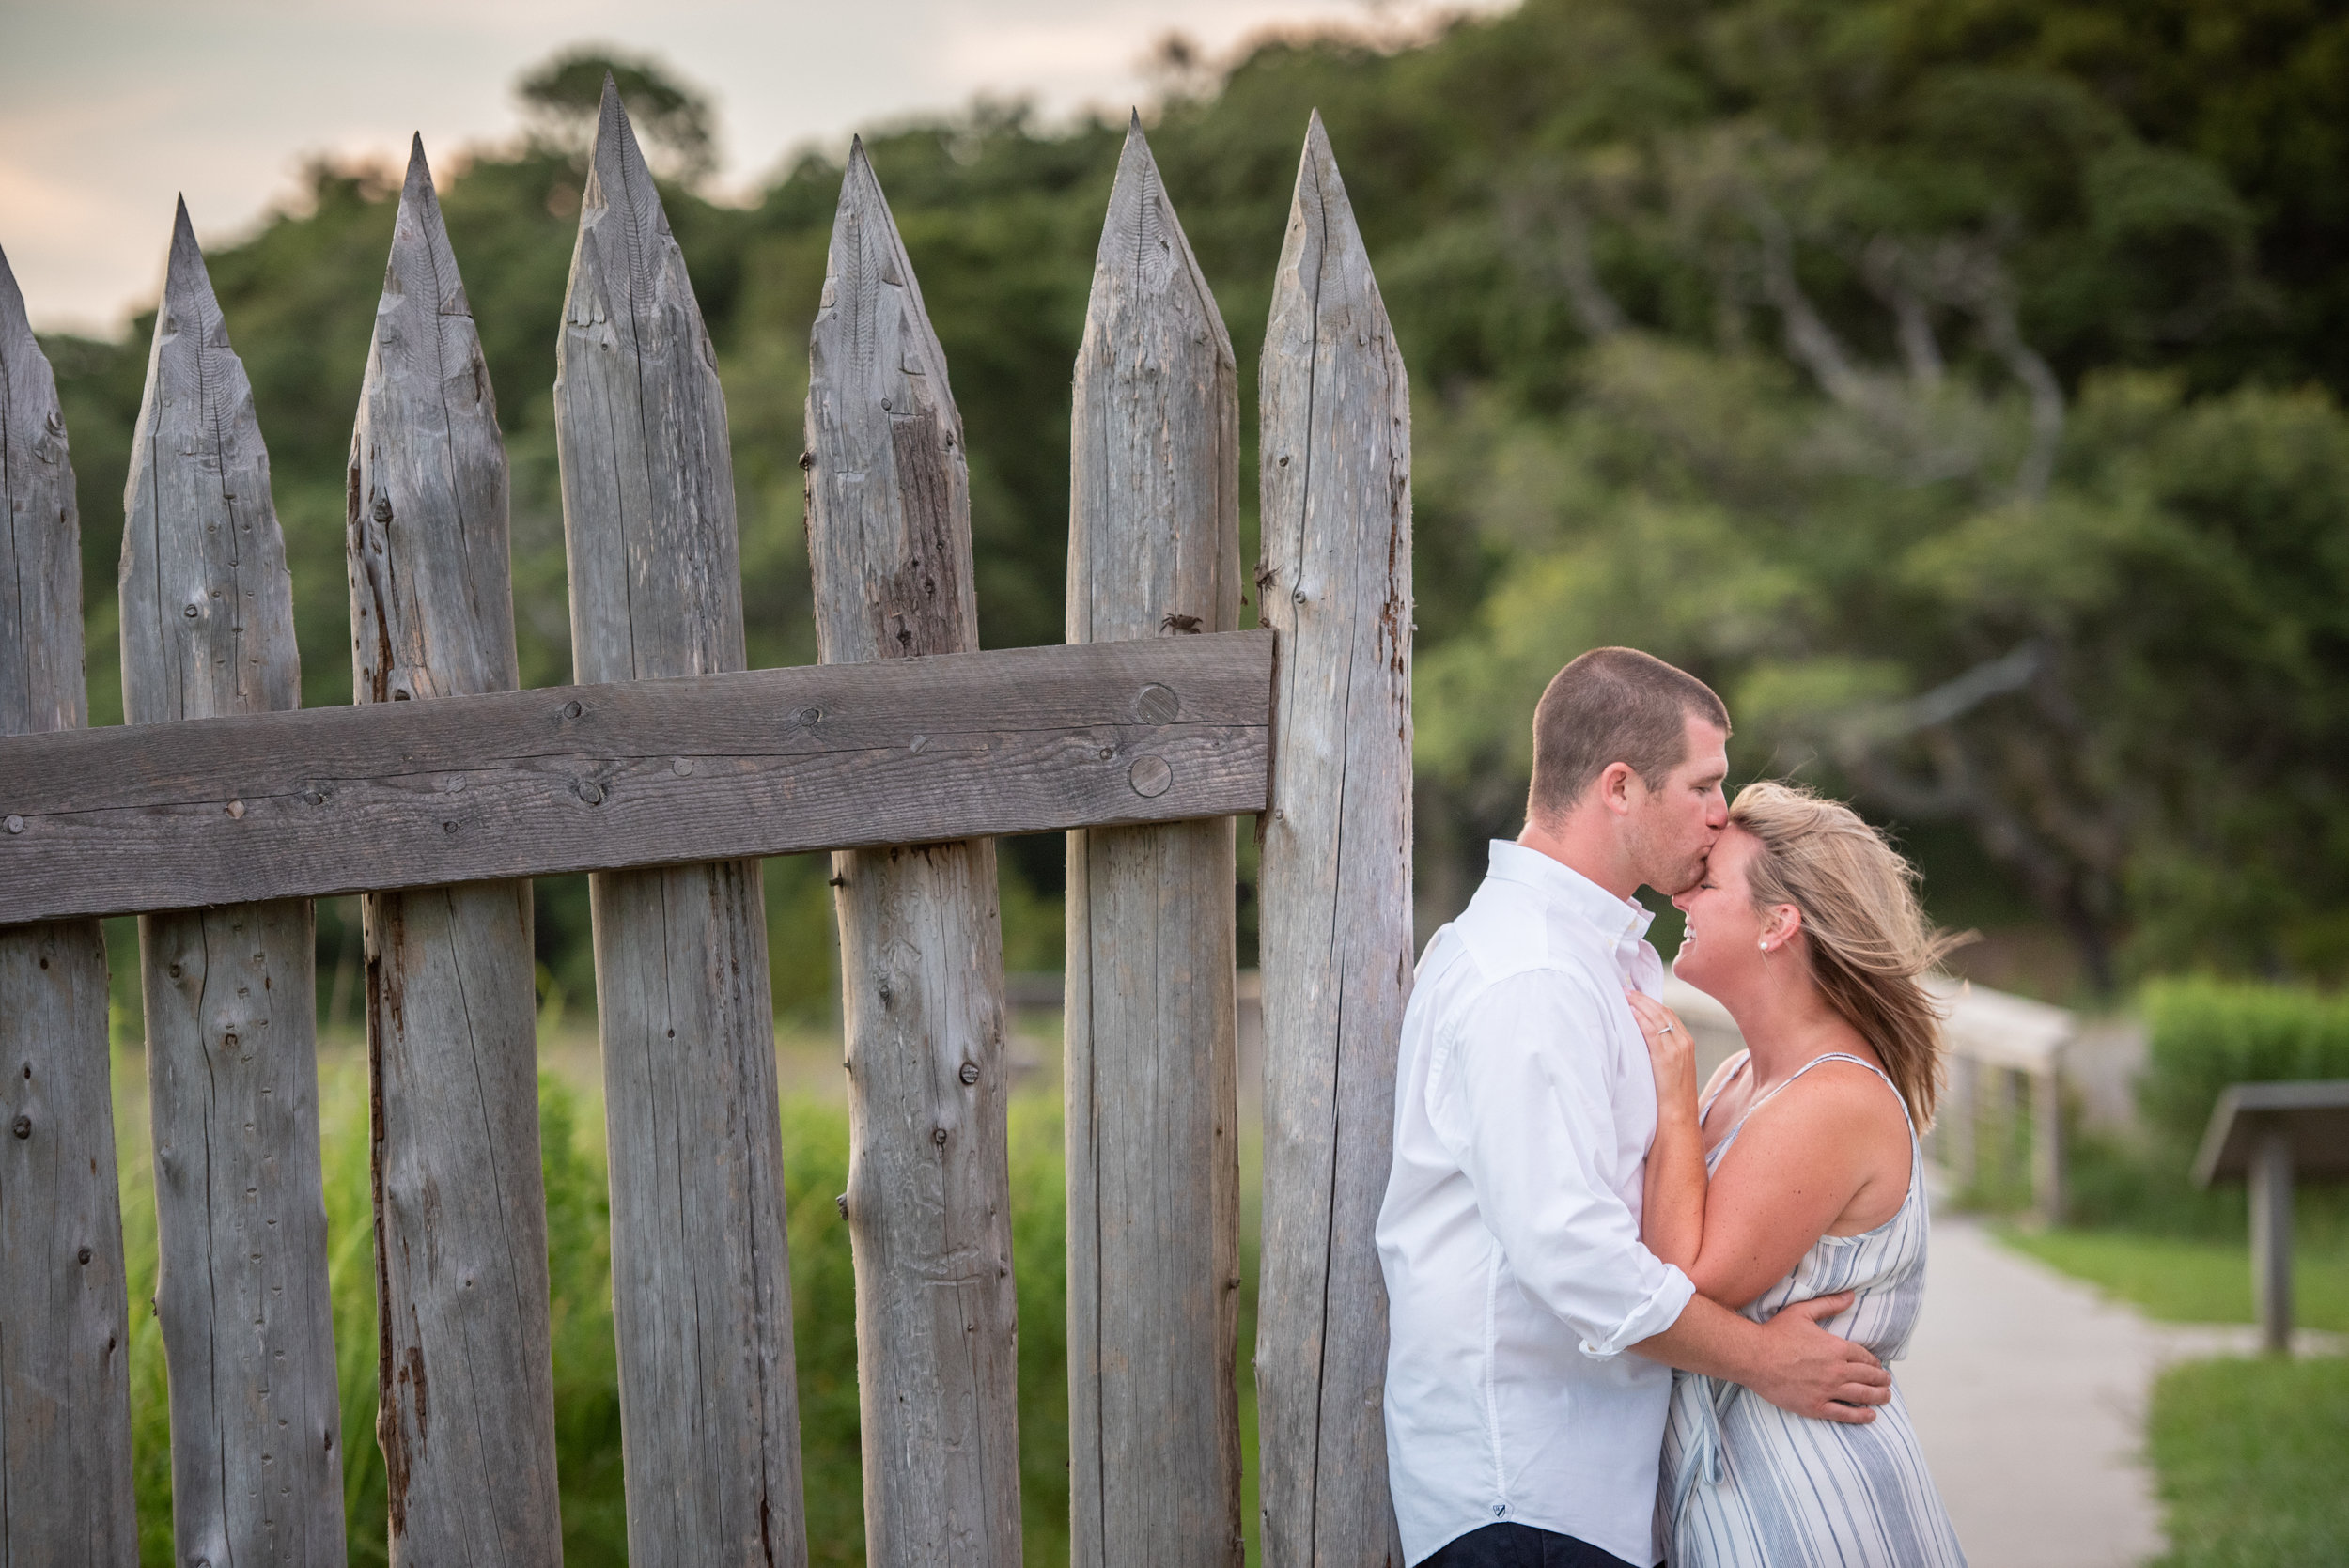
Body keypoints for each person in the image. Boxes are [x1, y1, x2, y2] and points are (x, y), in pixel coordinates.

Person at [1378, 648, 1892, 1568]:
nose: (1718, 813)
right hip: (1524, 1497)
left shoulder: (1589, 961)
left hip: (1581, 1496)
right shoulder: (1529, 974)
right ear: (1619, 787)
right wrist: (1763, 1358)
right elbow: (1570, 1250)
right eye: (1703, 785)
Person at [1630, 782, 1968, 1566]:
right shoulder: (1745, 1077)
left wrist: (1675, 1104)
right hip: (1740, 1505)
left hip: (1815, 1514)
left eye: (1708, 883)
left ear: (1779, 924)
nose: (1683, 892)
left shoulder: (1834, 1097)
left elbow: (1680, 1283)